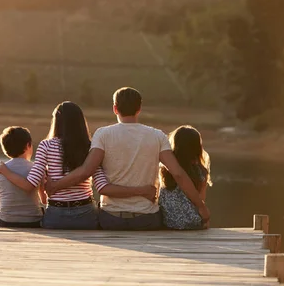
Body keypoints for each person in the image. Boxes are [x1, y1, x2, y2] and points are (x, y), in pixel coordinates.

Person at [47, 87, 211, 230]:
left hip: (110, 219)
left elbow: (86, 171)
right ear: (139, 109)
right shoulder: (157, 136)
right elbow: (179, 174)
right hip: (146, 219)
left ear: (115, 108)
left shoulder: (103, 135)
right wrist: (200, 206)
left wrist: (55, 185)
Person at [0, 101, 155, 230]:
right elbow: (102, 185)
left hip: (55, 217)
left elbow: (30, 184)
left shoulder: (46, 146)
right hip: (86, 216)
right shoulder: (90, 147)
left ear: (56, 122)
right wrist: (141, 191)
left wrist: (3, 169)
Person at [0, 126, 46, 228]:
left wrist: (8, 210)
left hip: (6, 221)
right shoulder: (37, 169)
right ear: (28, 145)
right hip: (33, 221)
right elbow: (44, 200)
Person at [159, 125, 212, 230]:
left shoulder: (165, 169)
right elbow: (200, 199)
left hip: (167, 221)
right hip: (192, 221)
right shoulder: (201, 171)